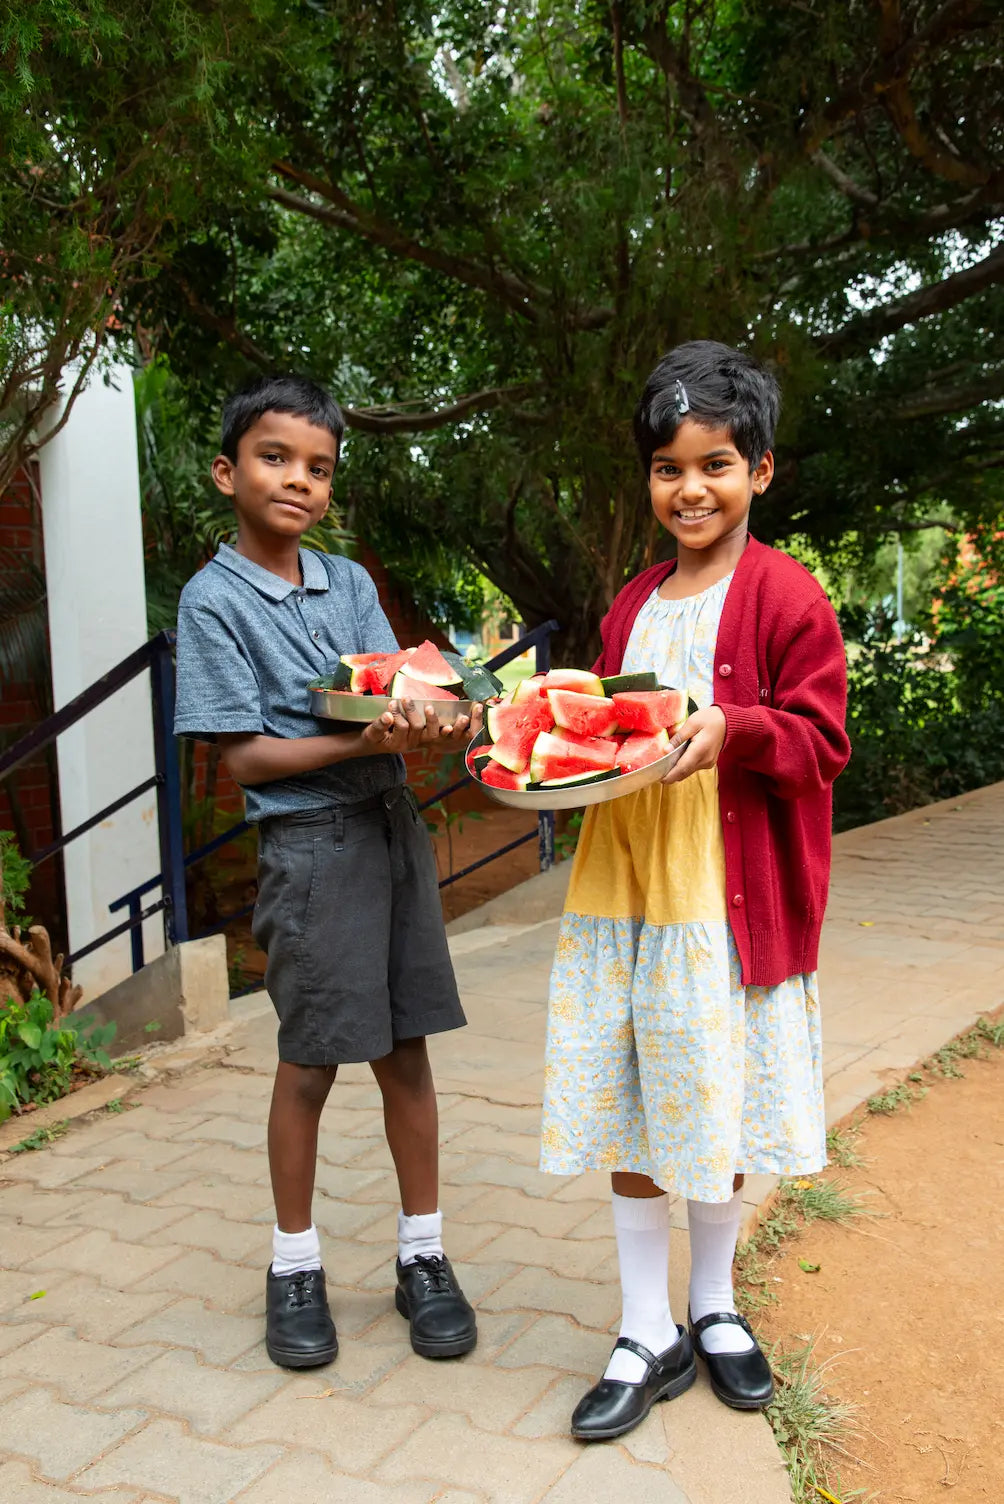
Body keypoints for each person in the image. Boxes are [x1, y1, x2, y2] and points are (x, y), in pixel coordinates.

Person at [539, 341, 850, 1441]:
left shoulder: (787, 596)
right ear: (647, 481)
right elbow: (606, 730)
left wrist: (736, 730)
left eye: (714, 463)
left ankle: (711, 1305)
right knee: (633, 1097)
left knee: (710, 1102)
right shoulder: (628, 606)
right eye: (668, 469)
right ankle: (641, 1325)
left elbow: (821, 742)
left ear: (758, 471)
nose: (690, 488)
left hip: (721, 898)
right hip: (621, 893)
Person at [174, 374, 479, 1370]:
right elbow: (246, 759)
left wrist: (445, 709)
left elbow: (395, 687)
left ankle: (421, 1256)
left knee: (407, 1054)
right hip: (307, 850)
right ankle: (294, 1266)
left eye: (317, 467)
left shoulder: (345, 581)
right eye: (274, 458)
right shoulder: (212, 600)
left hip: (389, 833)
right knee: (308, 1063)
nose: (297, 480)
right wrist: (368, 742)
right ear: (228, 472)